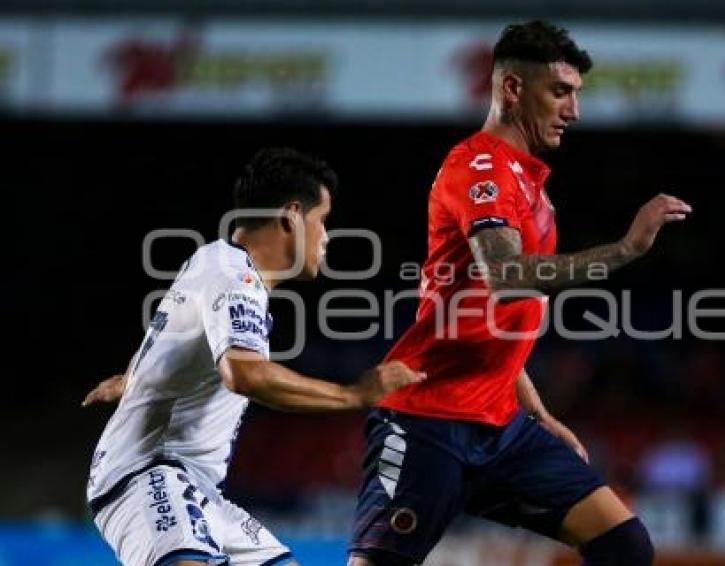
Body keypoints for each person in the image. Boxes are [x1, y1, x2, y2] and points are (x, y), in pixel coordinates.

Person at [348, 21, 691, 566]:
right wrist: (626, 249)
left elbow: (495, 316)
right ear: (512, 88)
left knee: (624, 543)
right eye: (560, 92)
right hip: (427, 419)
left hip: (501, 426)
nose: (573, 110)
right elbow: (506, 276)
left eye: (576, 94)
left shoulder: (530, 184)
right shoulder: (478, 167)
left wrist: (535, 410)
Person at [83, 147, 423, 566]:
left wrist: (130, 378)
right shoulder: (233, 275)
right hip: (148, 473)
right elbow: (244, 375)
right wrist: (354, 395)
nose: (327, 236)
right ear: (292, 215)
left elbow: (166, 336)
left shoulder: (214, 261)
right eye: (323, 221)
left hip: (196, 487)